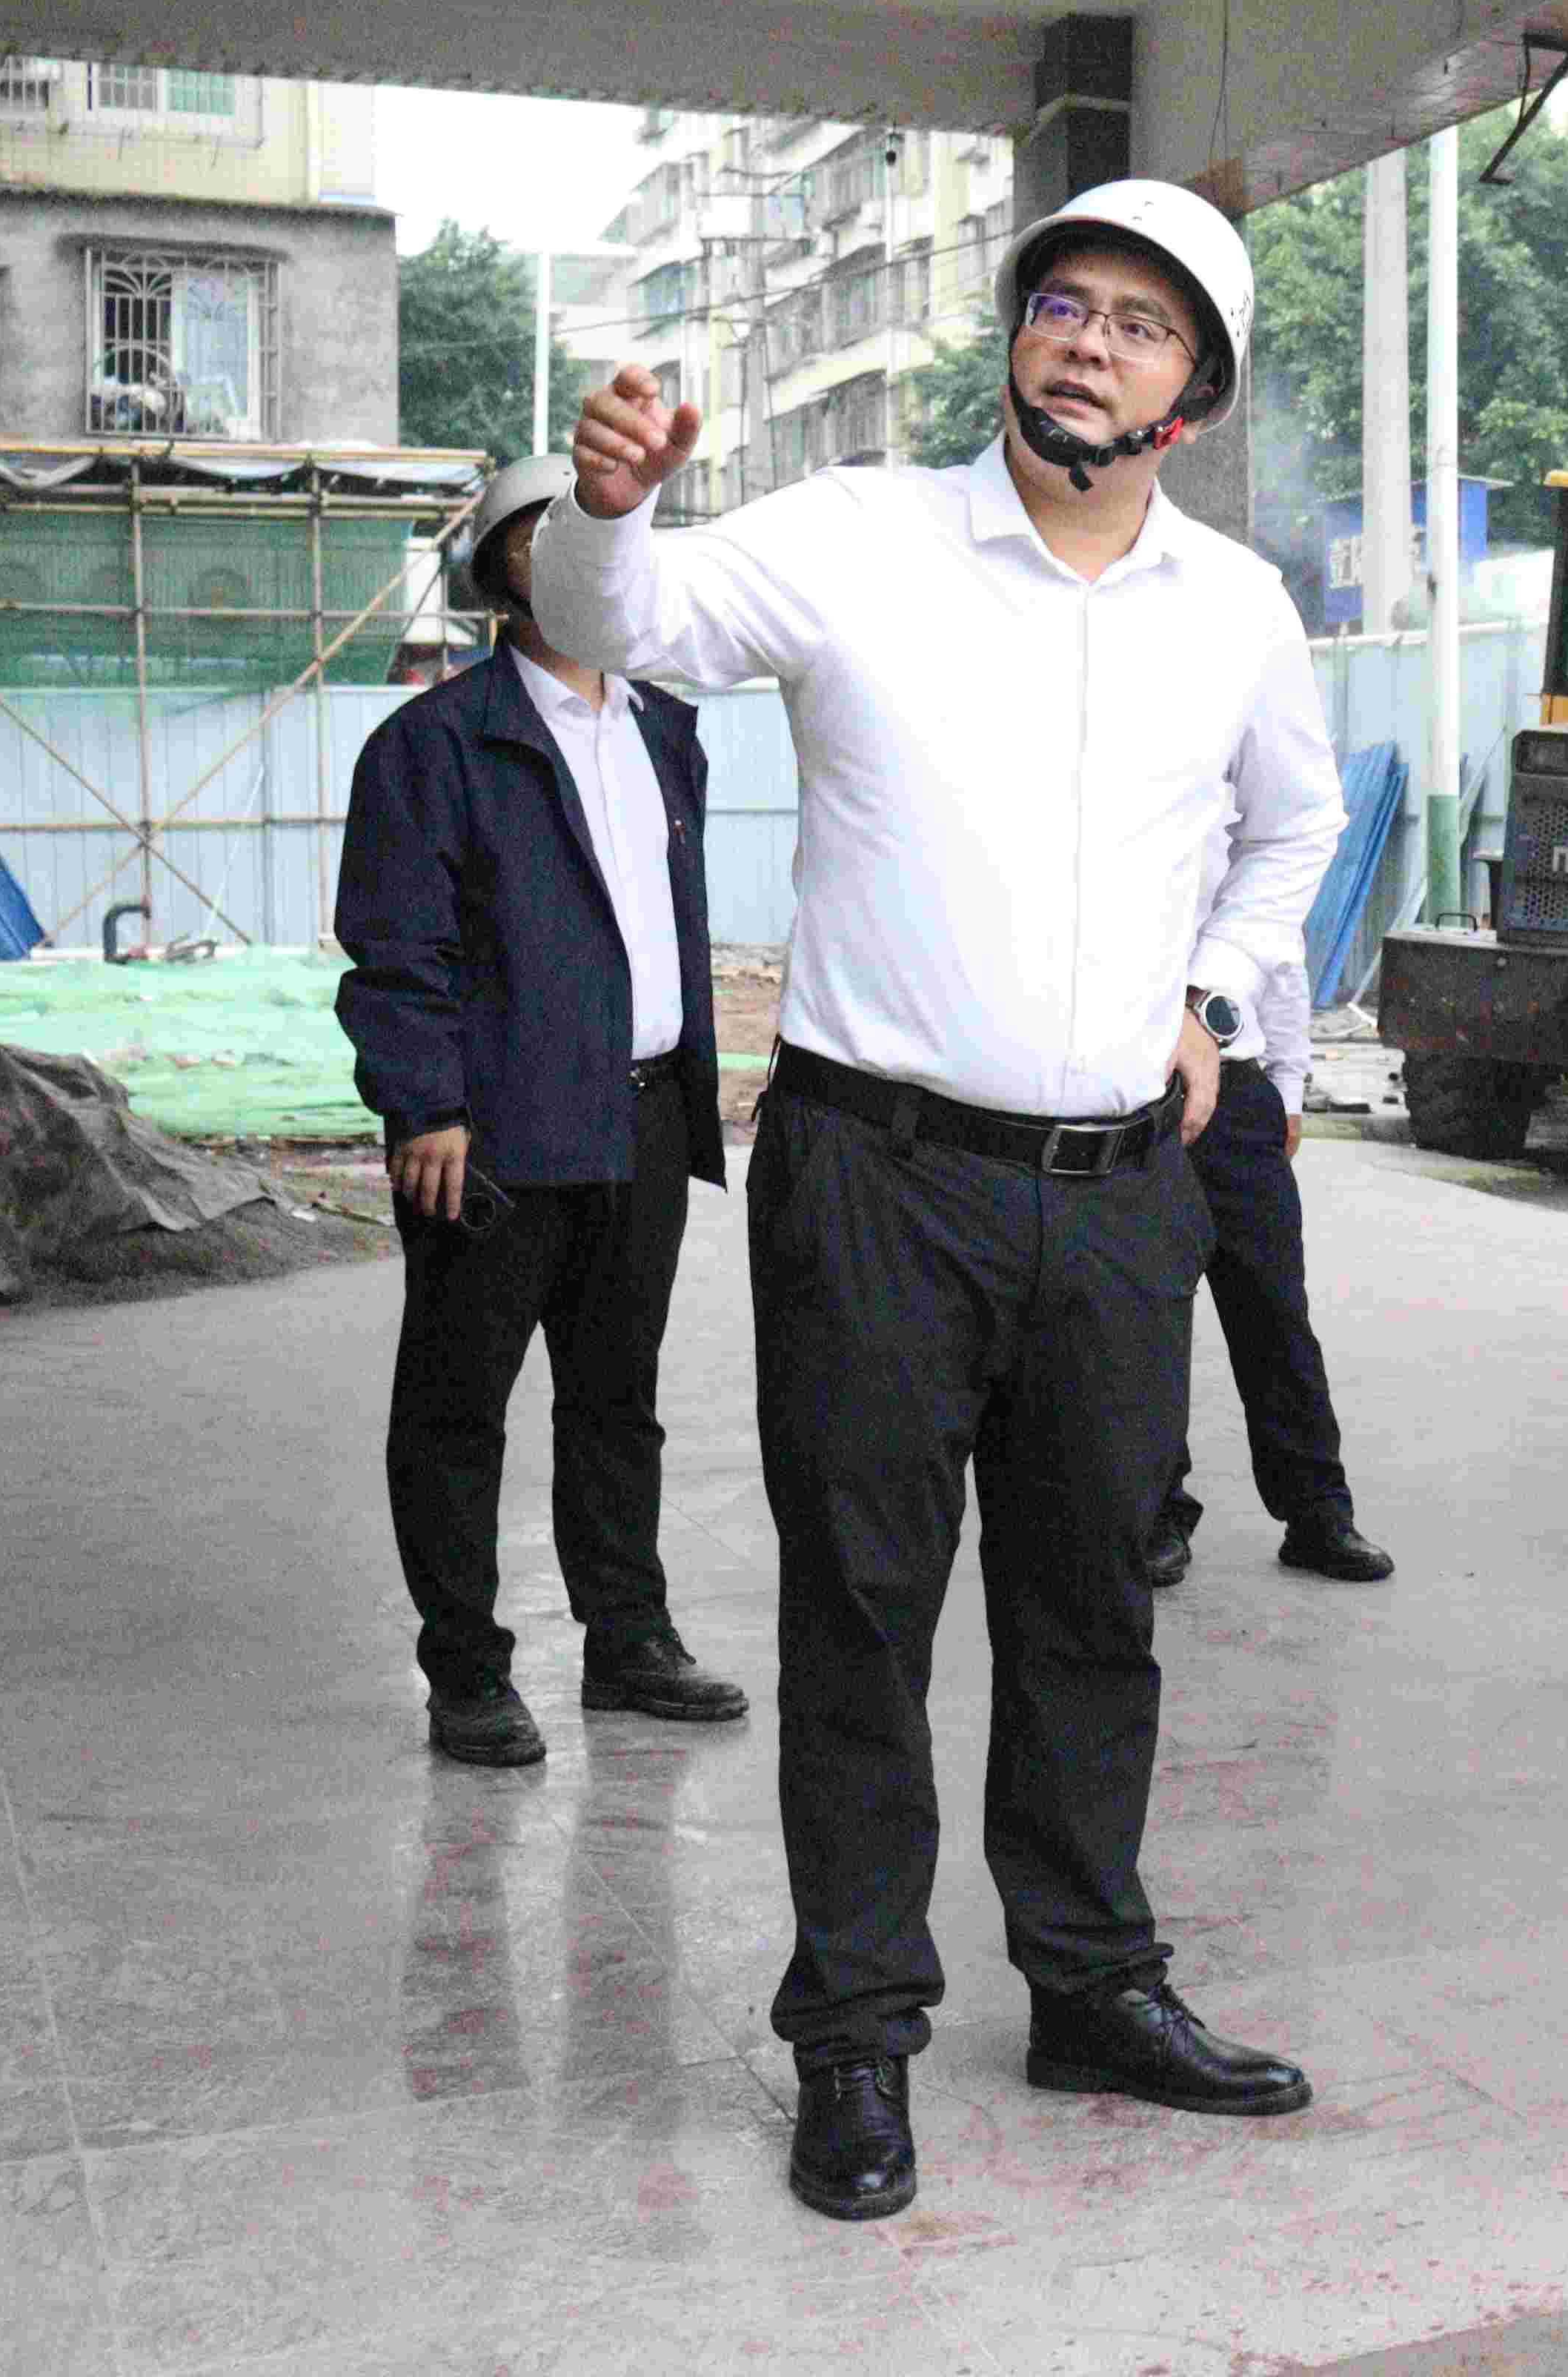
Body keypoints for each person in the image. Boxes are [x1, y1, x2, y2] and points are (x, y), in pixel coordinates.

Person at [539, 176, 1346, 2227]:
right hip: (876, 1178)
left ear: (1193, 394)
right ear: (1015, 335)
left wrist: (1215, 995)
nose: (1088, 340)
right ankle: (857, 2031)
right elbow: (625, 622)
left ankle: (1090, 1982)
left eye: (1140, 325)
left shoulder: (1235, 609)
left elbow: (1297, 825)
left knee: (1094, 1606)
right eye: (1062, 304)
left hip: (1117, 1192)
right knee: (865, 1611)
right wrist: (610, 507)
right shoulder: (860, 539)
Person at [338, 454, 743, 1771]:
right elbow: (397, 947)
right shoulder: (435, 745)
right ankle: (466, 1669)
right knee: (458, 1408)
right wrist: (424, 1104)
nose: (587, 552)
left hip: (645, 1119)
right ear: (508, 567)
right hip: (495, 1134)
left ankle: (627, 1641)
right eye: (552, 533)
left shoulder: (665, 731)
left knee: (618, 1401)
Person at [1145, 911, 1394, 1588]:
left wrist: (1286, 1087)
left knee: (1276, 1313)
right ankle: (1156, 1516)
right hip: (1139, 1096)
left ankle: (1318, 1513)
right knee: (1147, 1323)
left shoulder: (1254, 855)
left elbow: (1280, 957)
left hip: (1237, 1092)